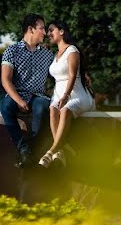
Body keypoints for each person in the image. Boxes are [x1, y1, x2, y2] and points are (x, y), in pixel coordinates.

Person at [39, 20, 95, 168]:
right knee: (52, 110)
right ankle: (61, 150)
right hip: (58, 95)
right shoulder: (55, 55)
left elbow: (71, 75)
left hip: (77, 95)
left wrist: (65, 96)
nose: (48, 34)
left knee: (65, 110)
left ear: (62, 31)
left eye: (52, 30)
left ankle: (52, 151)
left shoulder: (72, 50)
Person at [0, 14, 54, 168]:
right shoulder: (12, 51)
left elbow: (59, 73)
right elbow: (5, 80)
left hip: (38, 96)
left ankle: (29, 150)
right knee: (5, 106)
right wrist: (19, 100)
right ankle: (23, 148)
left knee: (43, 107)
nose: (45, 32)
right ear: (31, 29)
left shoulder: (47, 54)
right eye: (42, 28)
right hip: (17, 94)